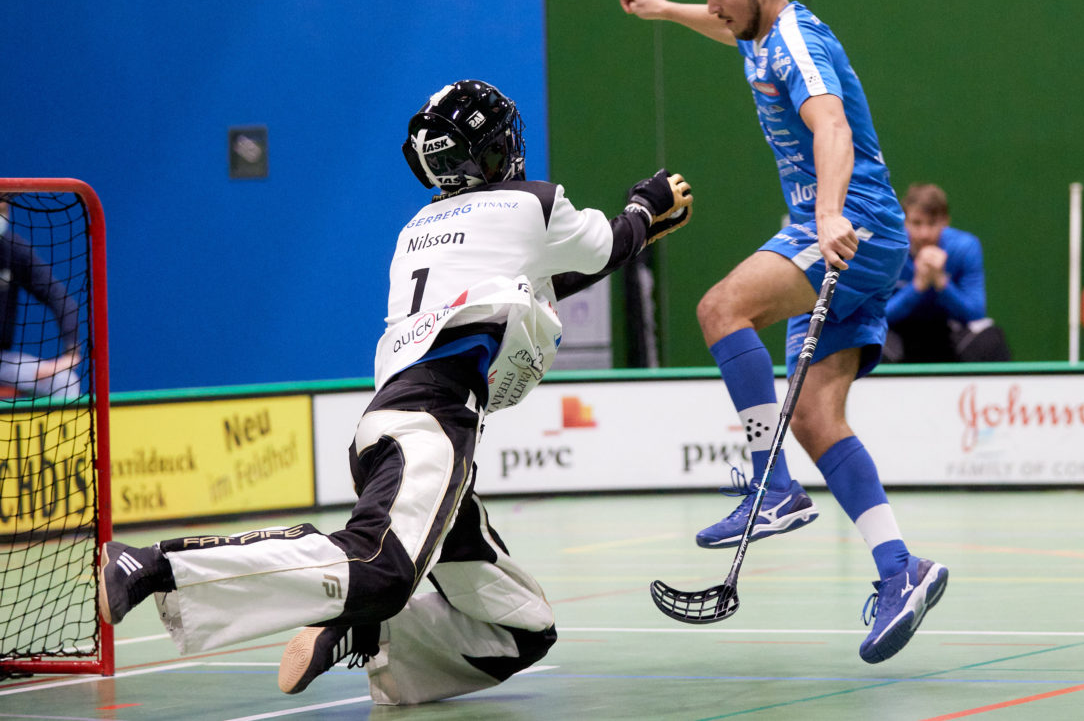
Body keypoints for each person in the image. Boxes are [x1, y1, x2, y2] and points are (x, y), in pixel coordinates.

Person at [96, 80, 693, 703]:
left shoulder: (418, 229)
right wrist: (646, 207)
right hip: (430, 426)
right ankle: (158, 565)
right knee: (378, 567)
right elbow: (609, 247)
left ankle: (370, 635)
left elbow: (532, 284)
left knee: (524, 630)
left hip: (392, 427)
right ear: (494, 149)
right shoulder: (532, 203)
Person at [620, 0, 946, 664]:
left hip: (846, 227)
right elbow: (726, 28)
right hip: (852, 235)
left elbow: (830, 127)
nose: (716, 7)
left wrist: (829, 212)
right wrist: (668, 9)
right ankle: (902, 571)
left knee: (720, 307)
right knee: (814, 416)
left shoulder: (798, 41)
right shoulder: (758, 32)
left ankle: (773, 492)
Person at [884, 183, 1010, 363]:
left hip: (949, 334)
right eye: (916, 223)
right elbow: (879, 315)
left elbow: (975, 313)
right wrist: (917, 287)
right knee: (866, 339)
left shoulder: (965, 247)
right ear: (904, 221)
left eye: (932, 223)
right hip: (898, 335)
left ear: (945, 221)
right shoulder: (889, 250)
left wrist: (941, 282)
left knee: (991, 339)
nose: (924, 233)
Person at [0, 196, 82, 399]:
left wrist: (71, 354)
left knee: (65, 382)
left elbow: (60, 298)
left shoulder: (13, 249)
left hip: (2, 361)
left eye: (3, 209)